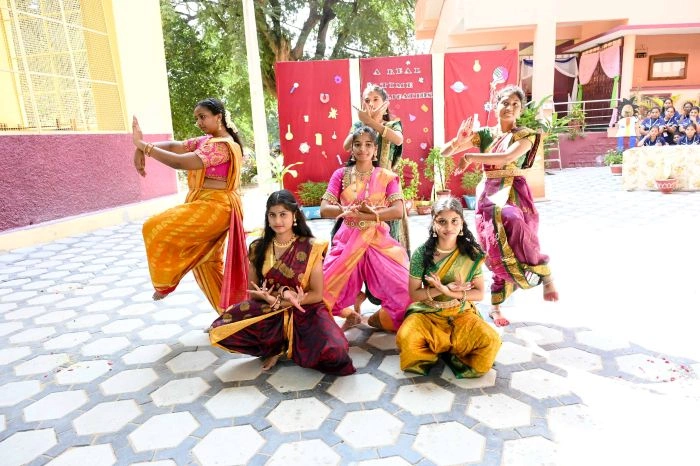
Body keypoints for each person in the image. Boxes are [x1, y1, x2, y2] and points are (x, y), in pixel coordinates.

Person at [441, 85, 558, 327]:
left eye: (515, 104)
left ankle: (544, 273)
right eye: (505, 102)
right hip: (488, 192)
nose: (509, 108)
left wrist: (470, 156)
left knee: (513, 220)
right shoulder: (485, 135)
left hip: (513, 191)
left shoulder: (524, 135)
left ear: (521, 110)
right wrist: (458, 141)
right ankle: (495, 307)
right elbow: (444, 153)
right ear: (495, 105)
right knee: (493, 246)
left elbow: (506, 158)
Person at [208, 190, 355, 374]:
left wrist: (284, 301)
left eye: (283, 214)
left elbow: (317, 294)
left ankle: (287, 345)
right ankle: (275, 347)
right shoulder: (258, 248)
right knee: (221, 329)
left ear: (295, 215)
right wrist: (280, 296)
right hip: (269, 309)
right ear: (267, 217)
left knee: (337, 355)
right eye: (272, 215)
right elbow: (253, 292)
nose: (278, 221)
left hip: (306, 309)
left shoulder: (311, 247)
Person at [132, 98, 248, 312]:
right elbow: (174, 146)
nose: (199, 122)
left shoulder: (222, 146)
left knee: (154, 227)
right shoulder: (207, 140)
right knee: (206, 264)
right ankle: (232, 318)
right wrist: (141, 149)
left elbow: (181, 162)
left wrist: (143, 146)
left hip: (217, 207)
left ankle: (165, 282)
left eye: (203, 117)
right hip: (207, 203)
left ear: (219, 117)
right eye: (197, 119)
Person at [397, 197, 501, 378]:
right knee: (407, 337)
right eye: (442, 221)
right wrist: (441, 289)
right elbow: (414, 295)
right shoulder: (421, 254)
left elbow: (479, 294)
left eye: (454, 221)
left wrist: (451, 293)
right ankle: (437, 351)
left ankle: (450, 352)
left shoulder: (471, 253)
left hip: (461, 313)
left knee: (491, 340)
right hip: (428, 314)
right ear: (433, 223)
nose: (449, 227)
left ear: (462, 223)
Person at [321, 126, 410, 332]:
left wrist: (370, 216)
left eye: (368, 144)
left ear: (375, 150)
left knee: (404, 288)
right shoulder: (340, 174)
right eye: (358, 144)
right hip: (347, 239)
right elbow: (324, 209)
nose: (363, 149)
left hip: (377, 239)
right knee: (323, 289)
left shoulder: (386, 176)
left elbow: (398, 210)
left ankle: (380, 319)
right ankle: (349, 313)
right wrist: (348, 210)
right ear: (351, 148)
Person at [342, 84, 410, 315]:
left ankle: (389, 302)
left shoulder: (393, 125)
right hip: (358, 191)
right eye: (367, 99)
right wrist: (362, 124)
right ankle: (355, 296)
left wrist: (371, 122)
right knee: (351, 246)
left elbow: (397, 140)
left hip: (385, 193)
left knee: (385, 248)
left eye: (375, 99)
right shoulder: (358, 126)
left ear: (385, 103)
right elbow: (346, 145)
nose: (370, 103)